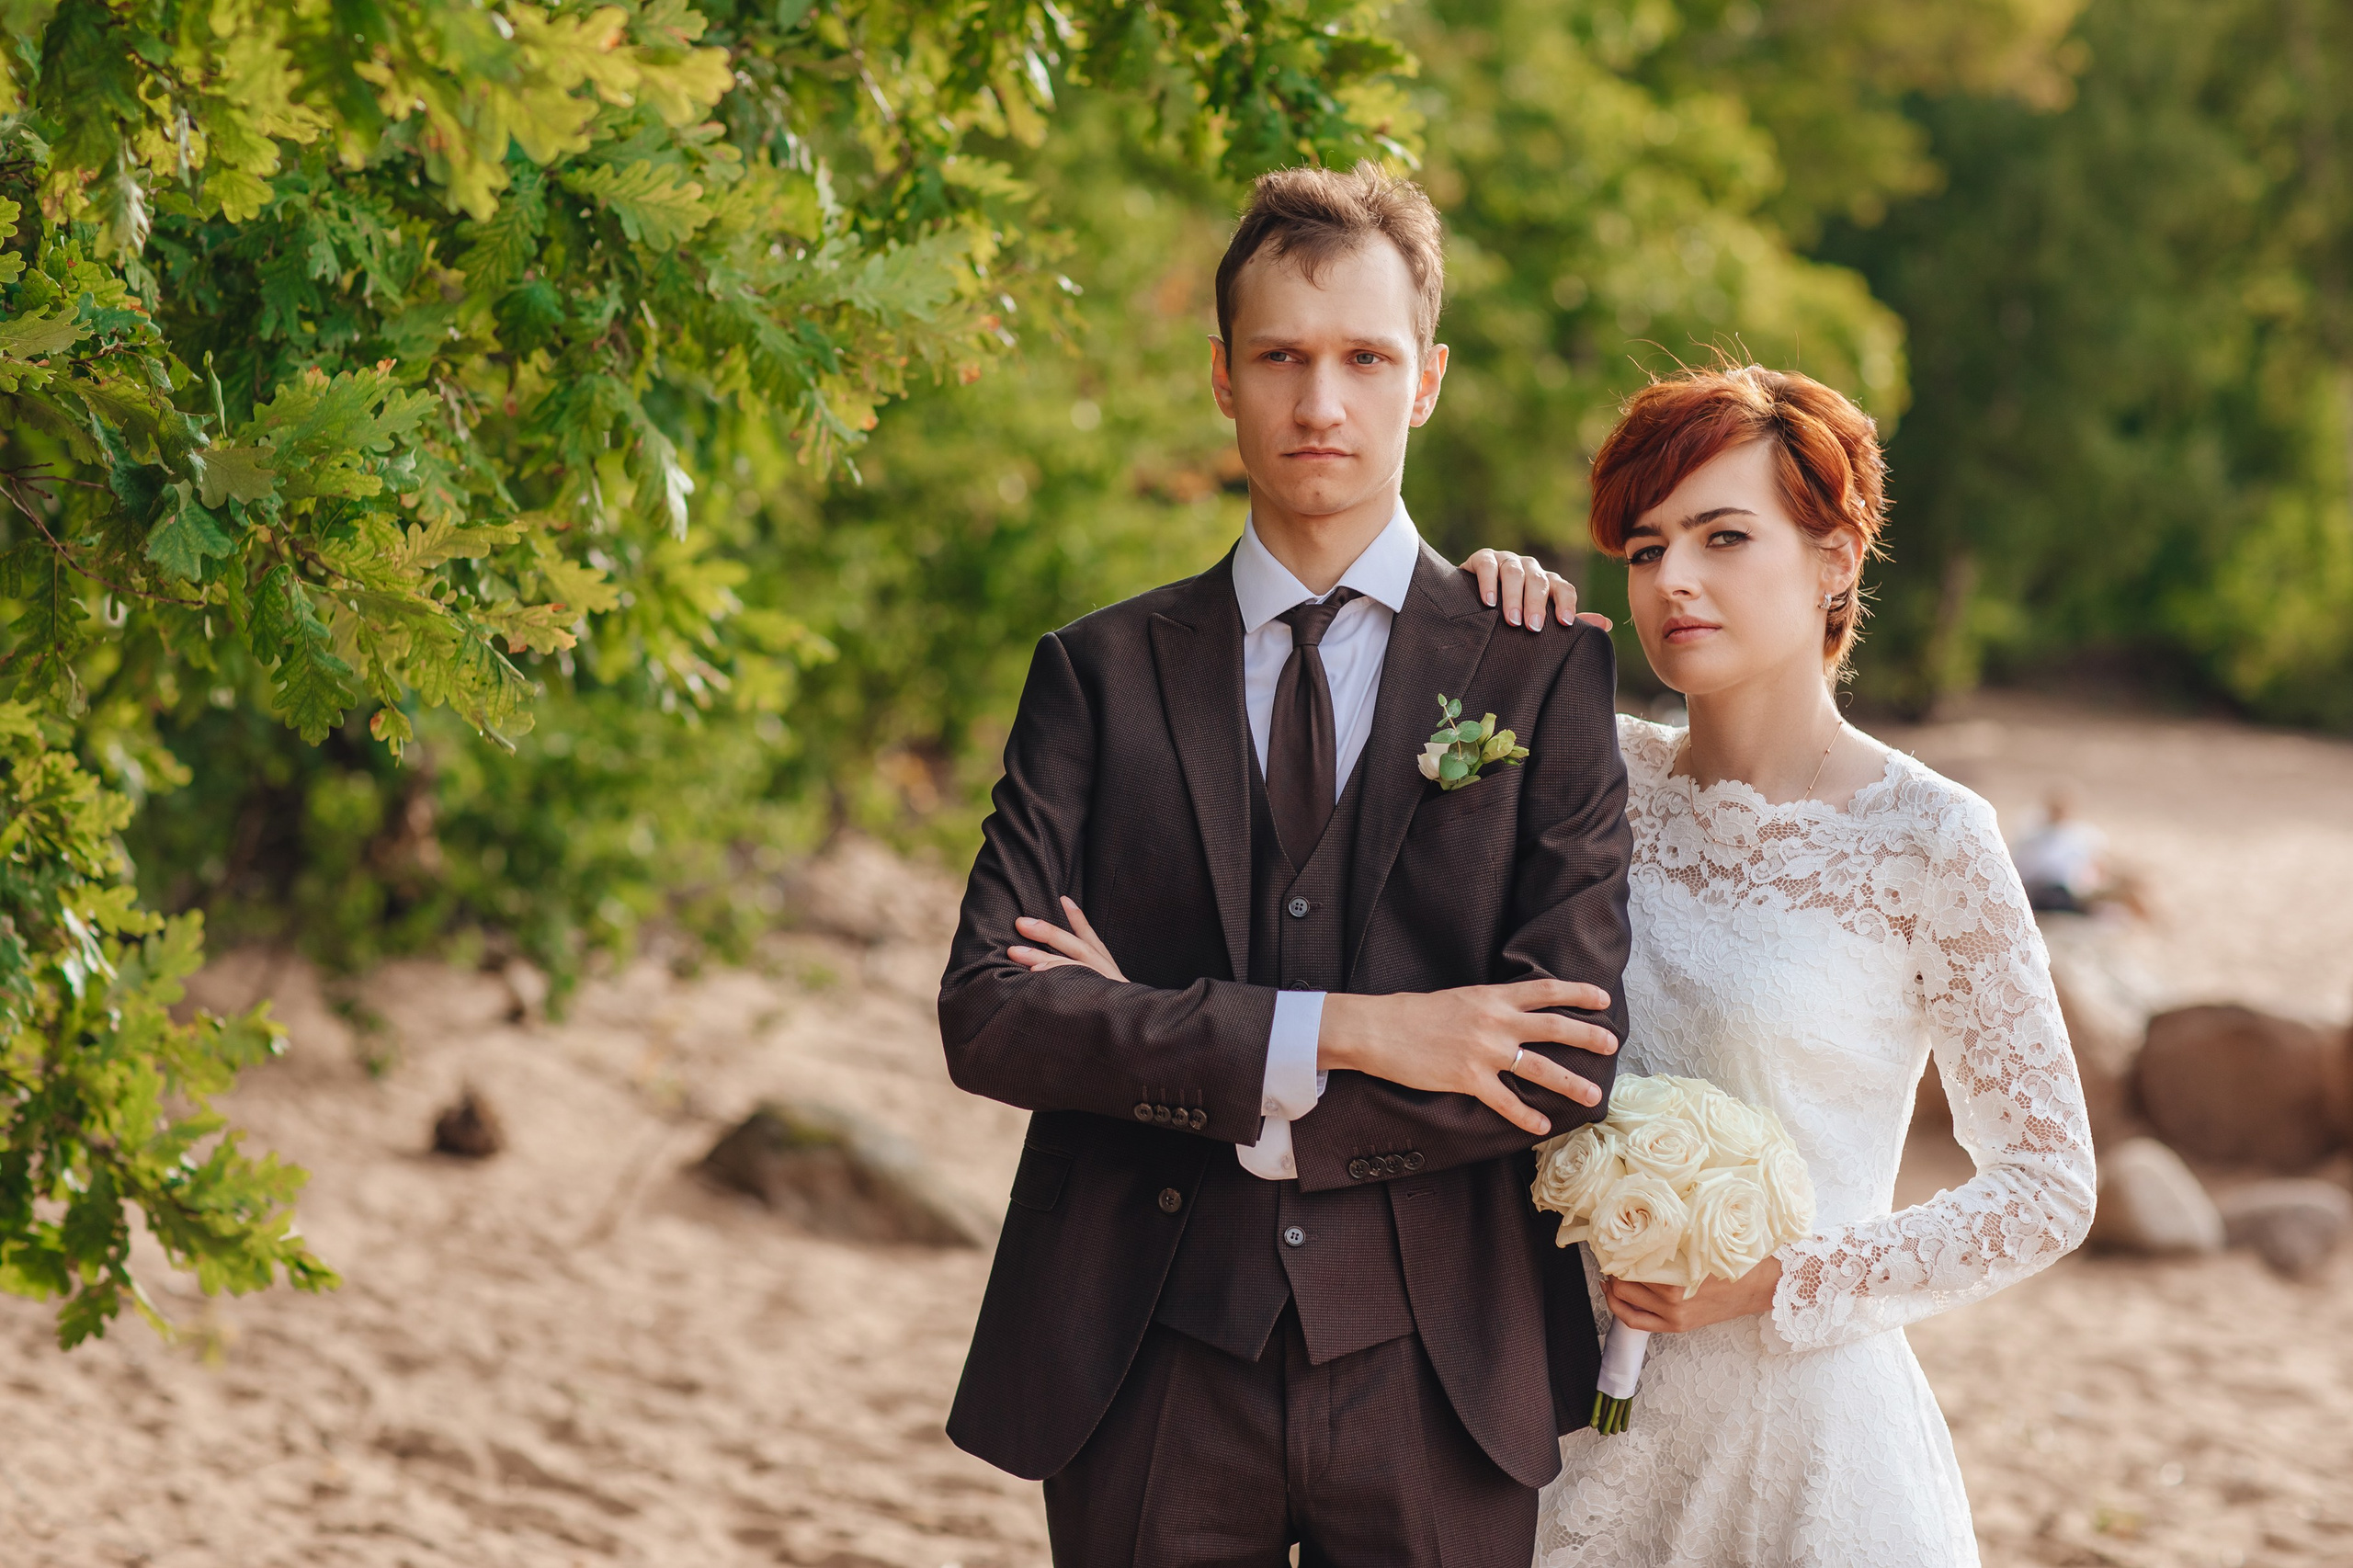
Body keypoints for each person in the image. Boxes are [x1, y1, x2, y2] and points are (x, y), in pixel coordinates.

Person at [936, 163, 1637, 1566]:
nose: (1323, 403)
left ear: (1426, 381)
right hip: (1145, 1350)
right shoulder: (1098, 673)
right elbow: (995, 1012)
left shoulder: (1539, 667)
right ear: (1221, 376)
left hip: (1439, 1362)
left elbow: (1560, 1052)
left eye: (1365, 359)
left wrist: (1176, 1044)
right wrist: (1372, 1033)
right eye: (1283, 357)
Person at [1474, 365, 2097, 1564]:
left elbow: (2048, 1182)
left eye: (1723, 536)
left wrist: (1774, 1277)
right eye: (1646, 548)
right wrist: (1470, 629)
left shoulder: (1931, 835)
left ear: (1834, 560)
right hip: (1558, 1408)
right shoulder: (1583, 770)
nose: (1674, 580)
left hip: (1805, 1435)